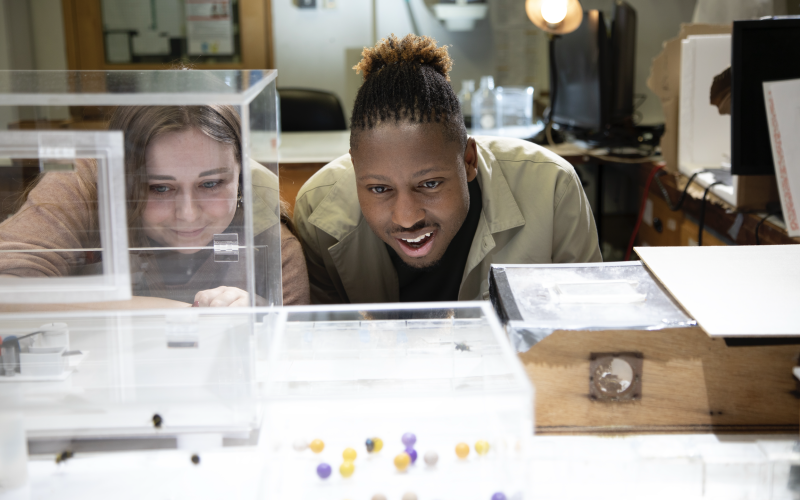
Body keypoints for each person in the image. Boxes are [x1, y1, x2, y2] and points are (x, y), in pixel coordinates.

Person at [294, 34, 600, 304]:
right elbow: (325, 346)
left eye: (429, 184)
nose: (407, 218)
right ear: (354, 165)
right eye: (379, 189)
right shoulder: (317, 211)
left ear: (469, 161)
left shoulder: (552, 188)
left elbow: (587, 325)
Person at [0, 105, 310, 307]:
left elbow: (293, 366)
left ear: (240, 174)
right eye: (159, 188)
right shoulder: (84, 186)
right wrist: (174, 312)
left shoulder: (274, 250)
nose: (187, 213)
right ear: (121, 178)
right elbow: (7, 289)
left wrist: (259, 318)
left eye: (211, 184)